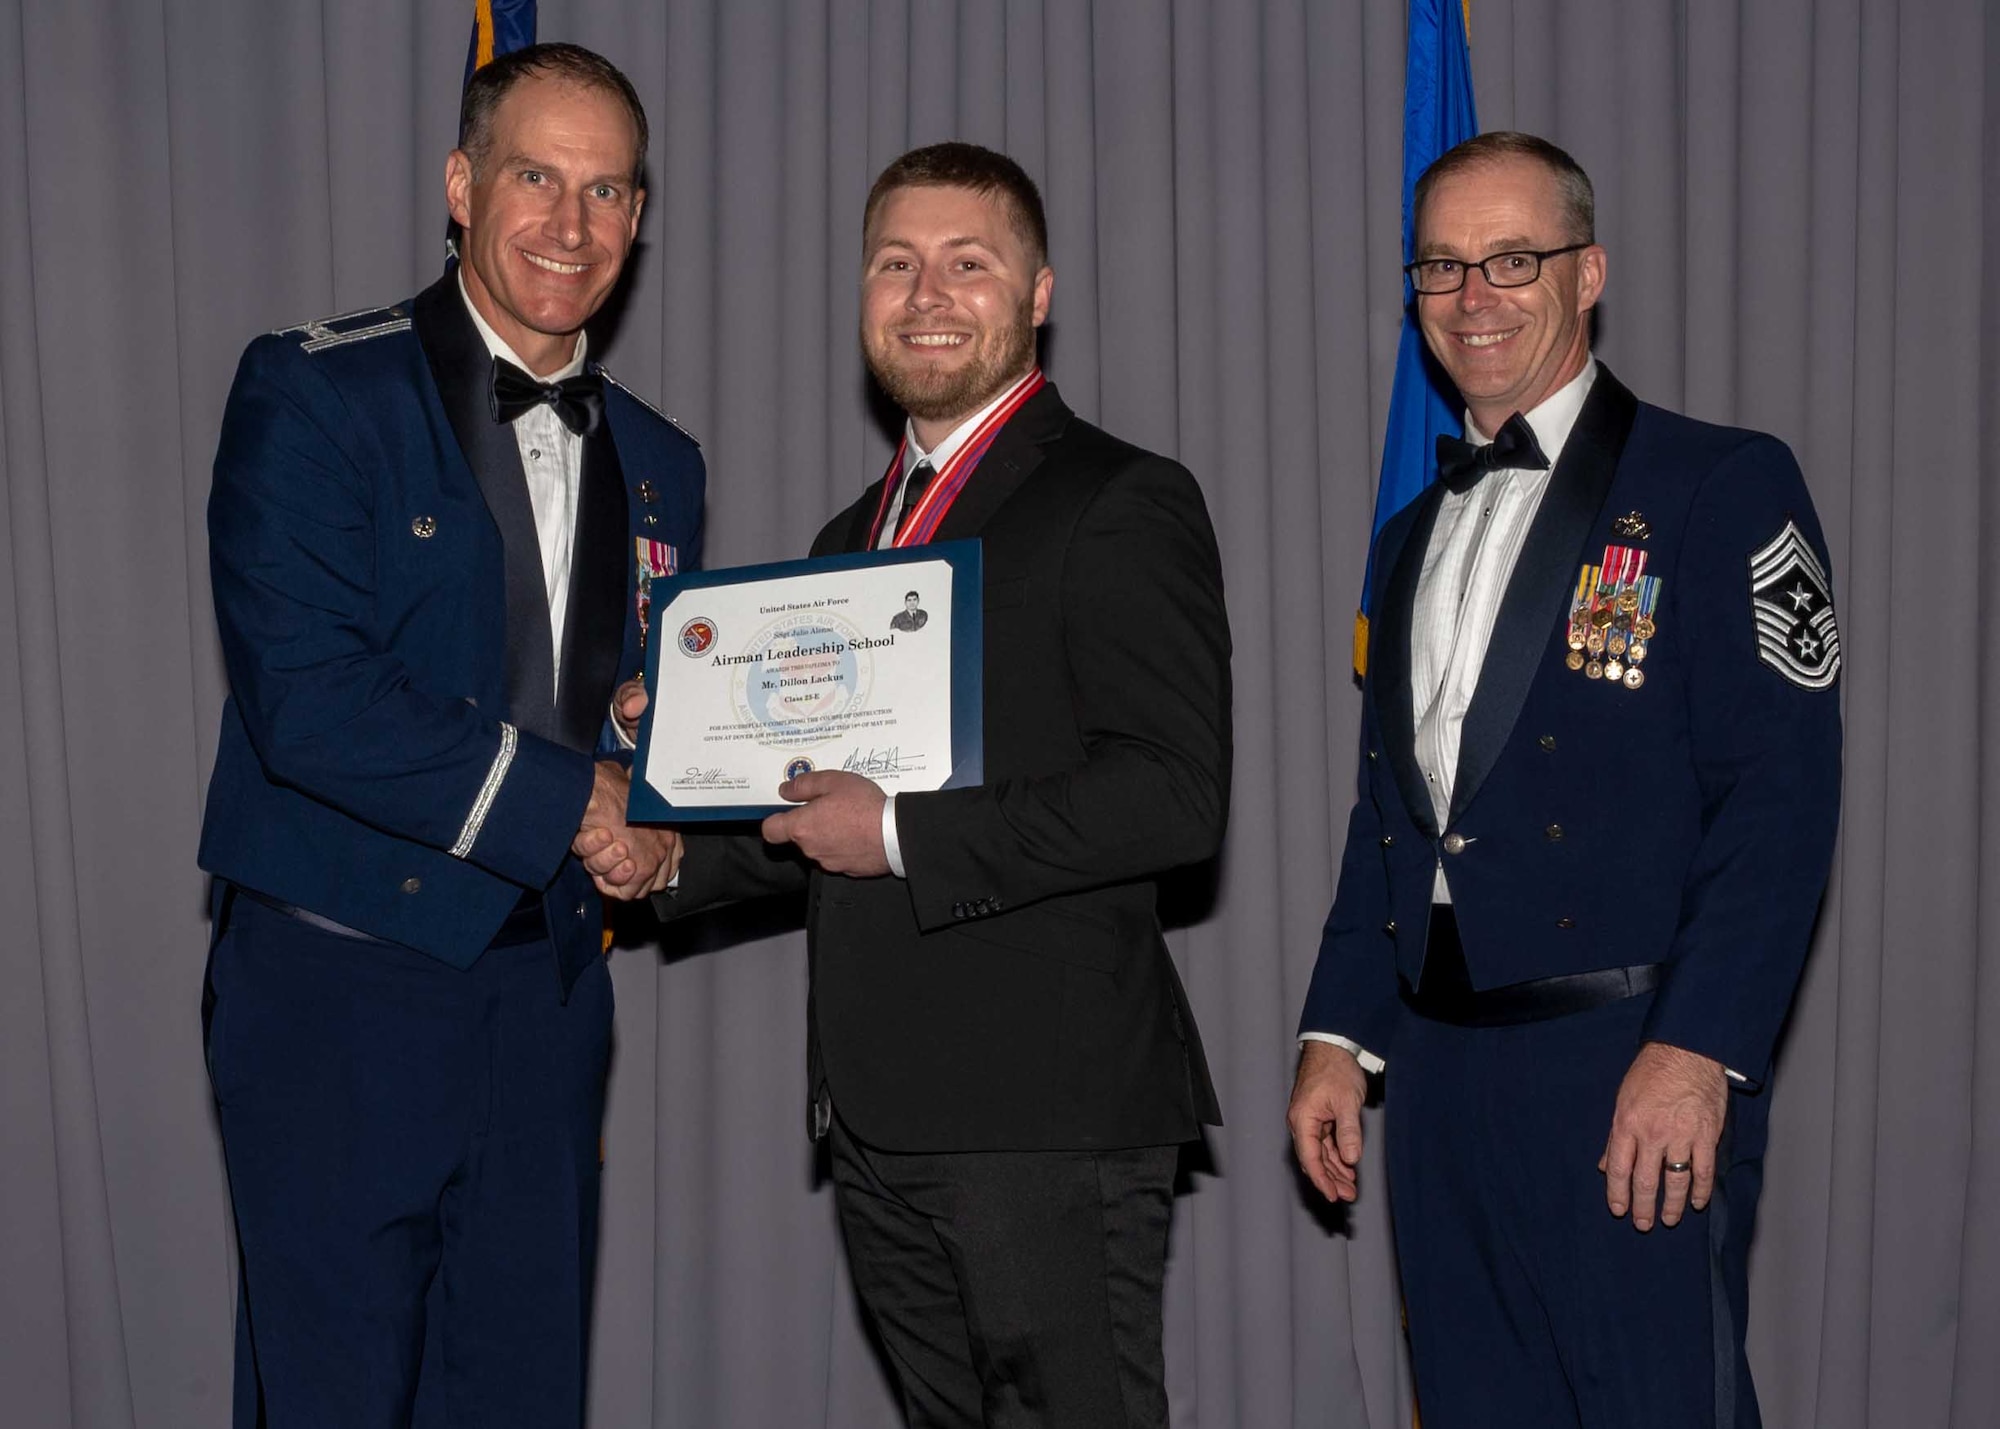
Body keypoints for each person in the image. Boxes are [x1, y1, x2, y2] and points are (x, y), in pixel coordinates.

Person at [609, 142, 1231, 1428]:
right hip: (878, 1113)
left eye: (968, 262)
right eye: (895, 263)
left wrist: (894, 831)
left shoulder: (1119, 499)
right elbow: (810, 808)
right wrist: (671, 825)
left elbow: (1172, 797)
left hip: (1044, 1114)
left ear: (1039, 293)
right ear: (859, 292)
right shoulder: (851, 539)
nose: (926, 293)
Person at [1287, 131, 1841, 1427]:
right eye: (1442, 265)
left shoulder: (1718, 484)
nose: (1473, 296)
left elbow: (1779, 795)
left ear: (1588, 273)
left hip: (1624, 1070)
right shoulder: (1411, 532)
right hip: (1433, 1080)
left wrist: (1699, 1047)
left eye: (1511, 259)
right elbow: (1395, 814)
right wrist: (1337, 1029)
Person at [199, 43, 701, 1428]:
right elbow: (309, 698)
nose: (570, 224)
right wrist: (581, 800)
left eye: (607, 192)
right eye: (537, 176)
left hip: (546, 1003)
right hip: (338, 987)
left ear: (639, 219)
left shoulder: (665, 459)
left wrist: (664, 796)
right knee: (334, 1398)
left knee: (524, 1396)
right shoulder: (316, 392)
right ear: (462, 185)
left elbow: (641, 708)